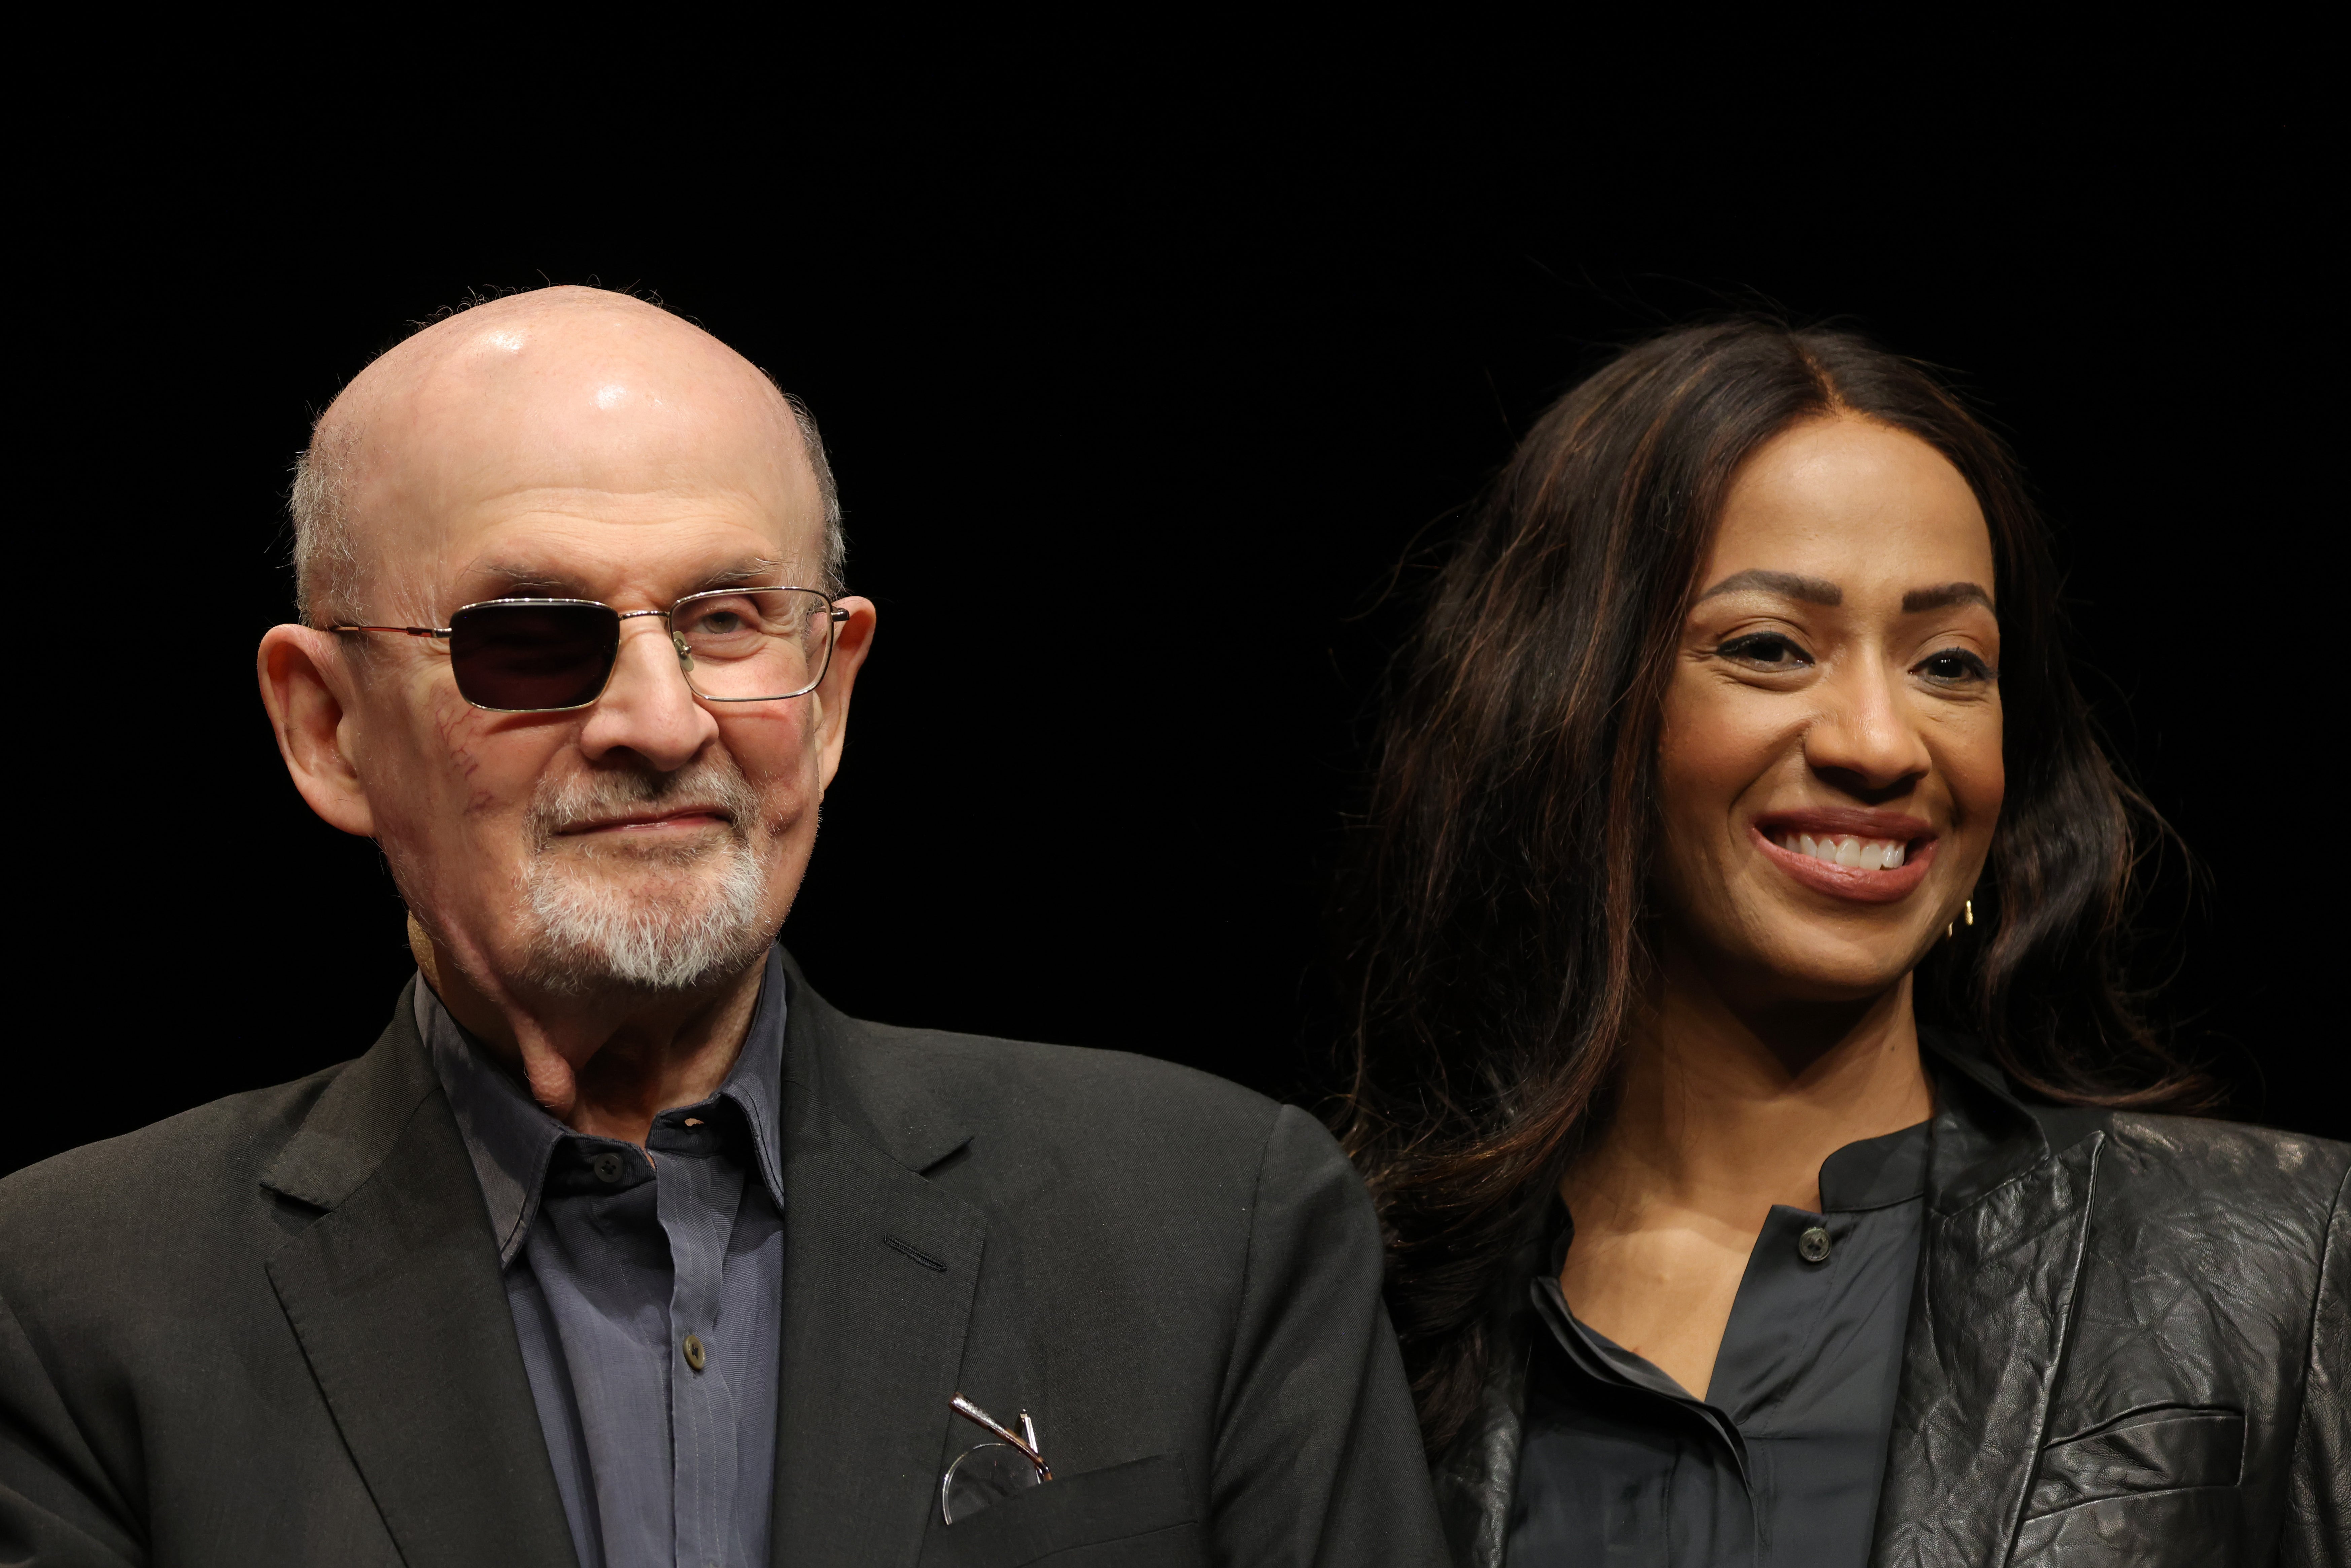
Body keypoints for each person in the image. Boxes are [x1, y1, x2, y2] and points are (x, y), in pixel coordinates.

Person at [0, 286, 1446, 1568]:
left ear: (831, 695)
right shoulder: (66, 1300)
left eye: (728, 619)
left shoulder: (1210, 1221)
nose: (660, 717)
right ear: (327, 729)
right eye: (531, 634)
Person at [1334, 320, 2347, 1567]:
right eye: (1769, 647)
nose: (1880, 740)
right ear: (1572, 708)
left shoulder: (2273, 1259)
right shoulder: (1352, 1307)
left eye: (1948, 663)